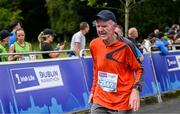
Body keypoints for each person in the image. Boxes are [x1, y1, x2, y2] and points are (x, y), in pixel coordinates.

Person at [89, 9, 143, 114]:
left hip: (122, 101)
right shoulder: (94, 44)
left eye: (104, 26)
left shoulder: (126, 45)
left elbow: (139, 69)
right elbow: (97, 69)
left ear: (114, 27)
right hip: (101, 98)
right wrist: (93, 91)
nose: (100, 30)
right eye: (98, 26)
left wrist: (135, 90)